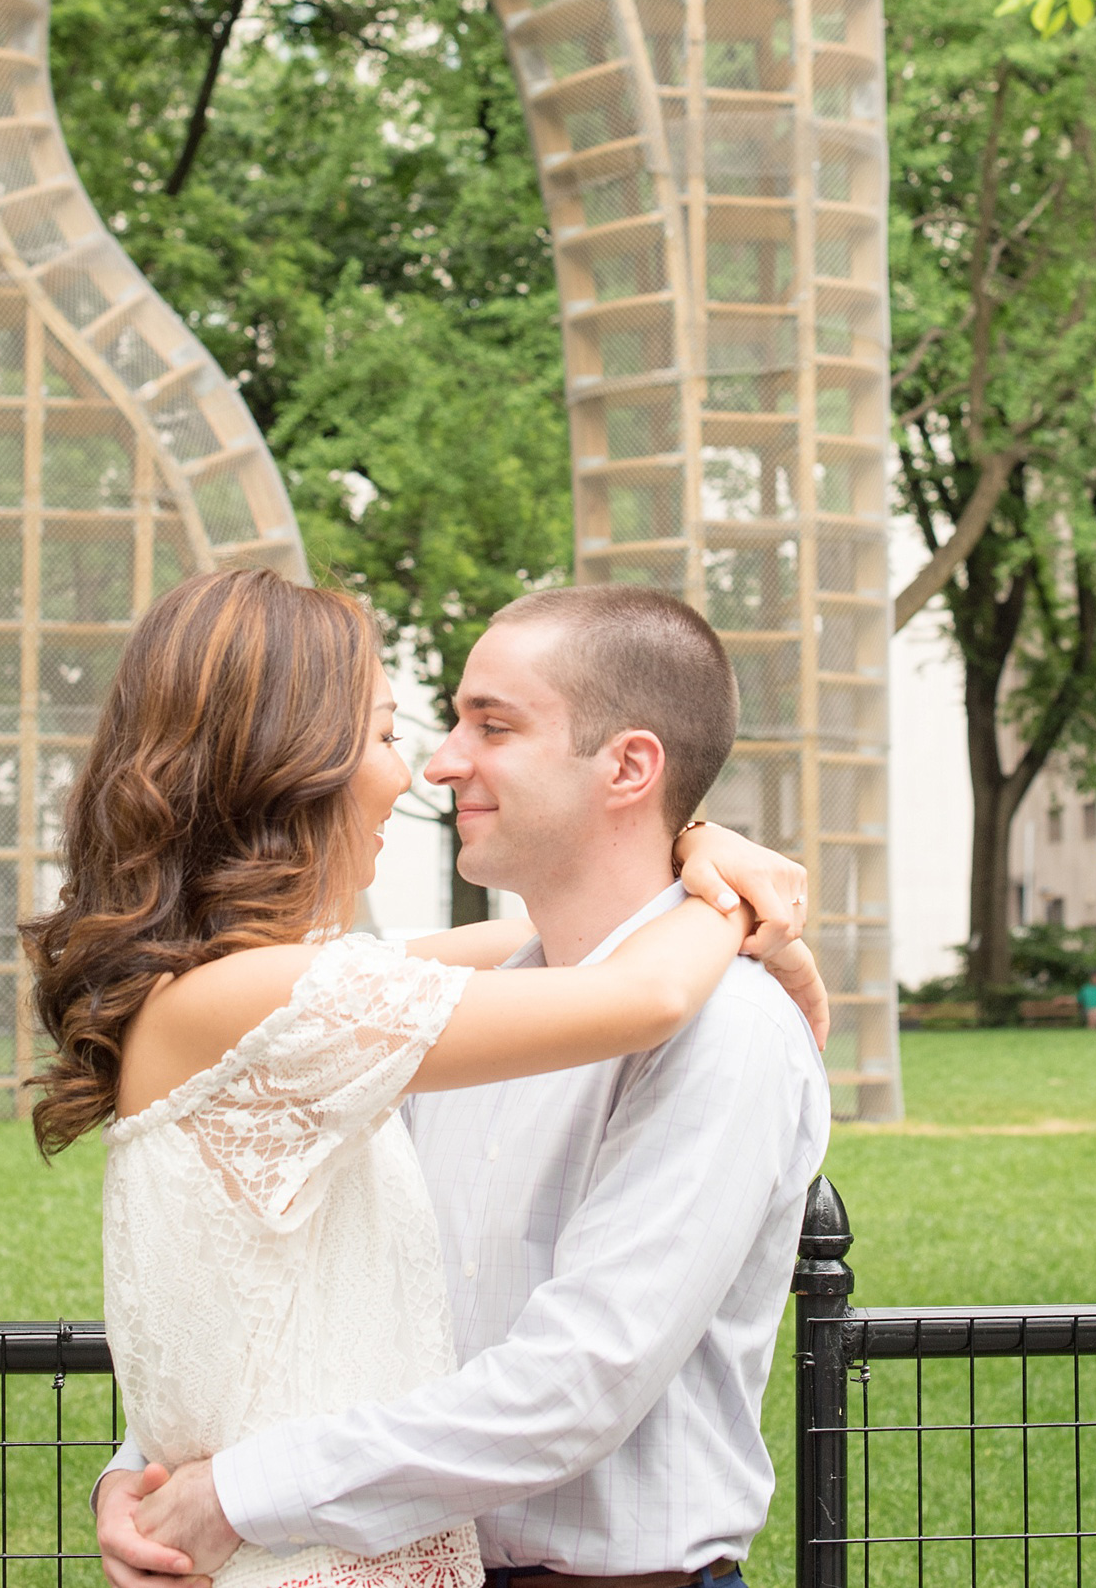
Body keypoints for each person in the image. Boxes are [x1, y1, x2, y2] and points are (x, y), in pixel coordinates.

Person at [91, 579, 833, 1588]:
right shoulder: (401, 1012)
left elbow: (576, 1385)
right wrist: (157, 1465)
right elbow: (285, 1292)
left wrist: (224, 1490)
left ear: (628, 764)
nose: (436, 764)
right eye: (418, 727)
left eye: (489, 723)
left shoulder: (724, 1026)